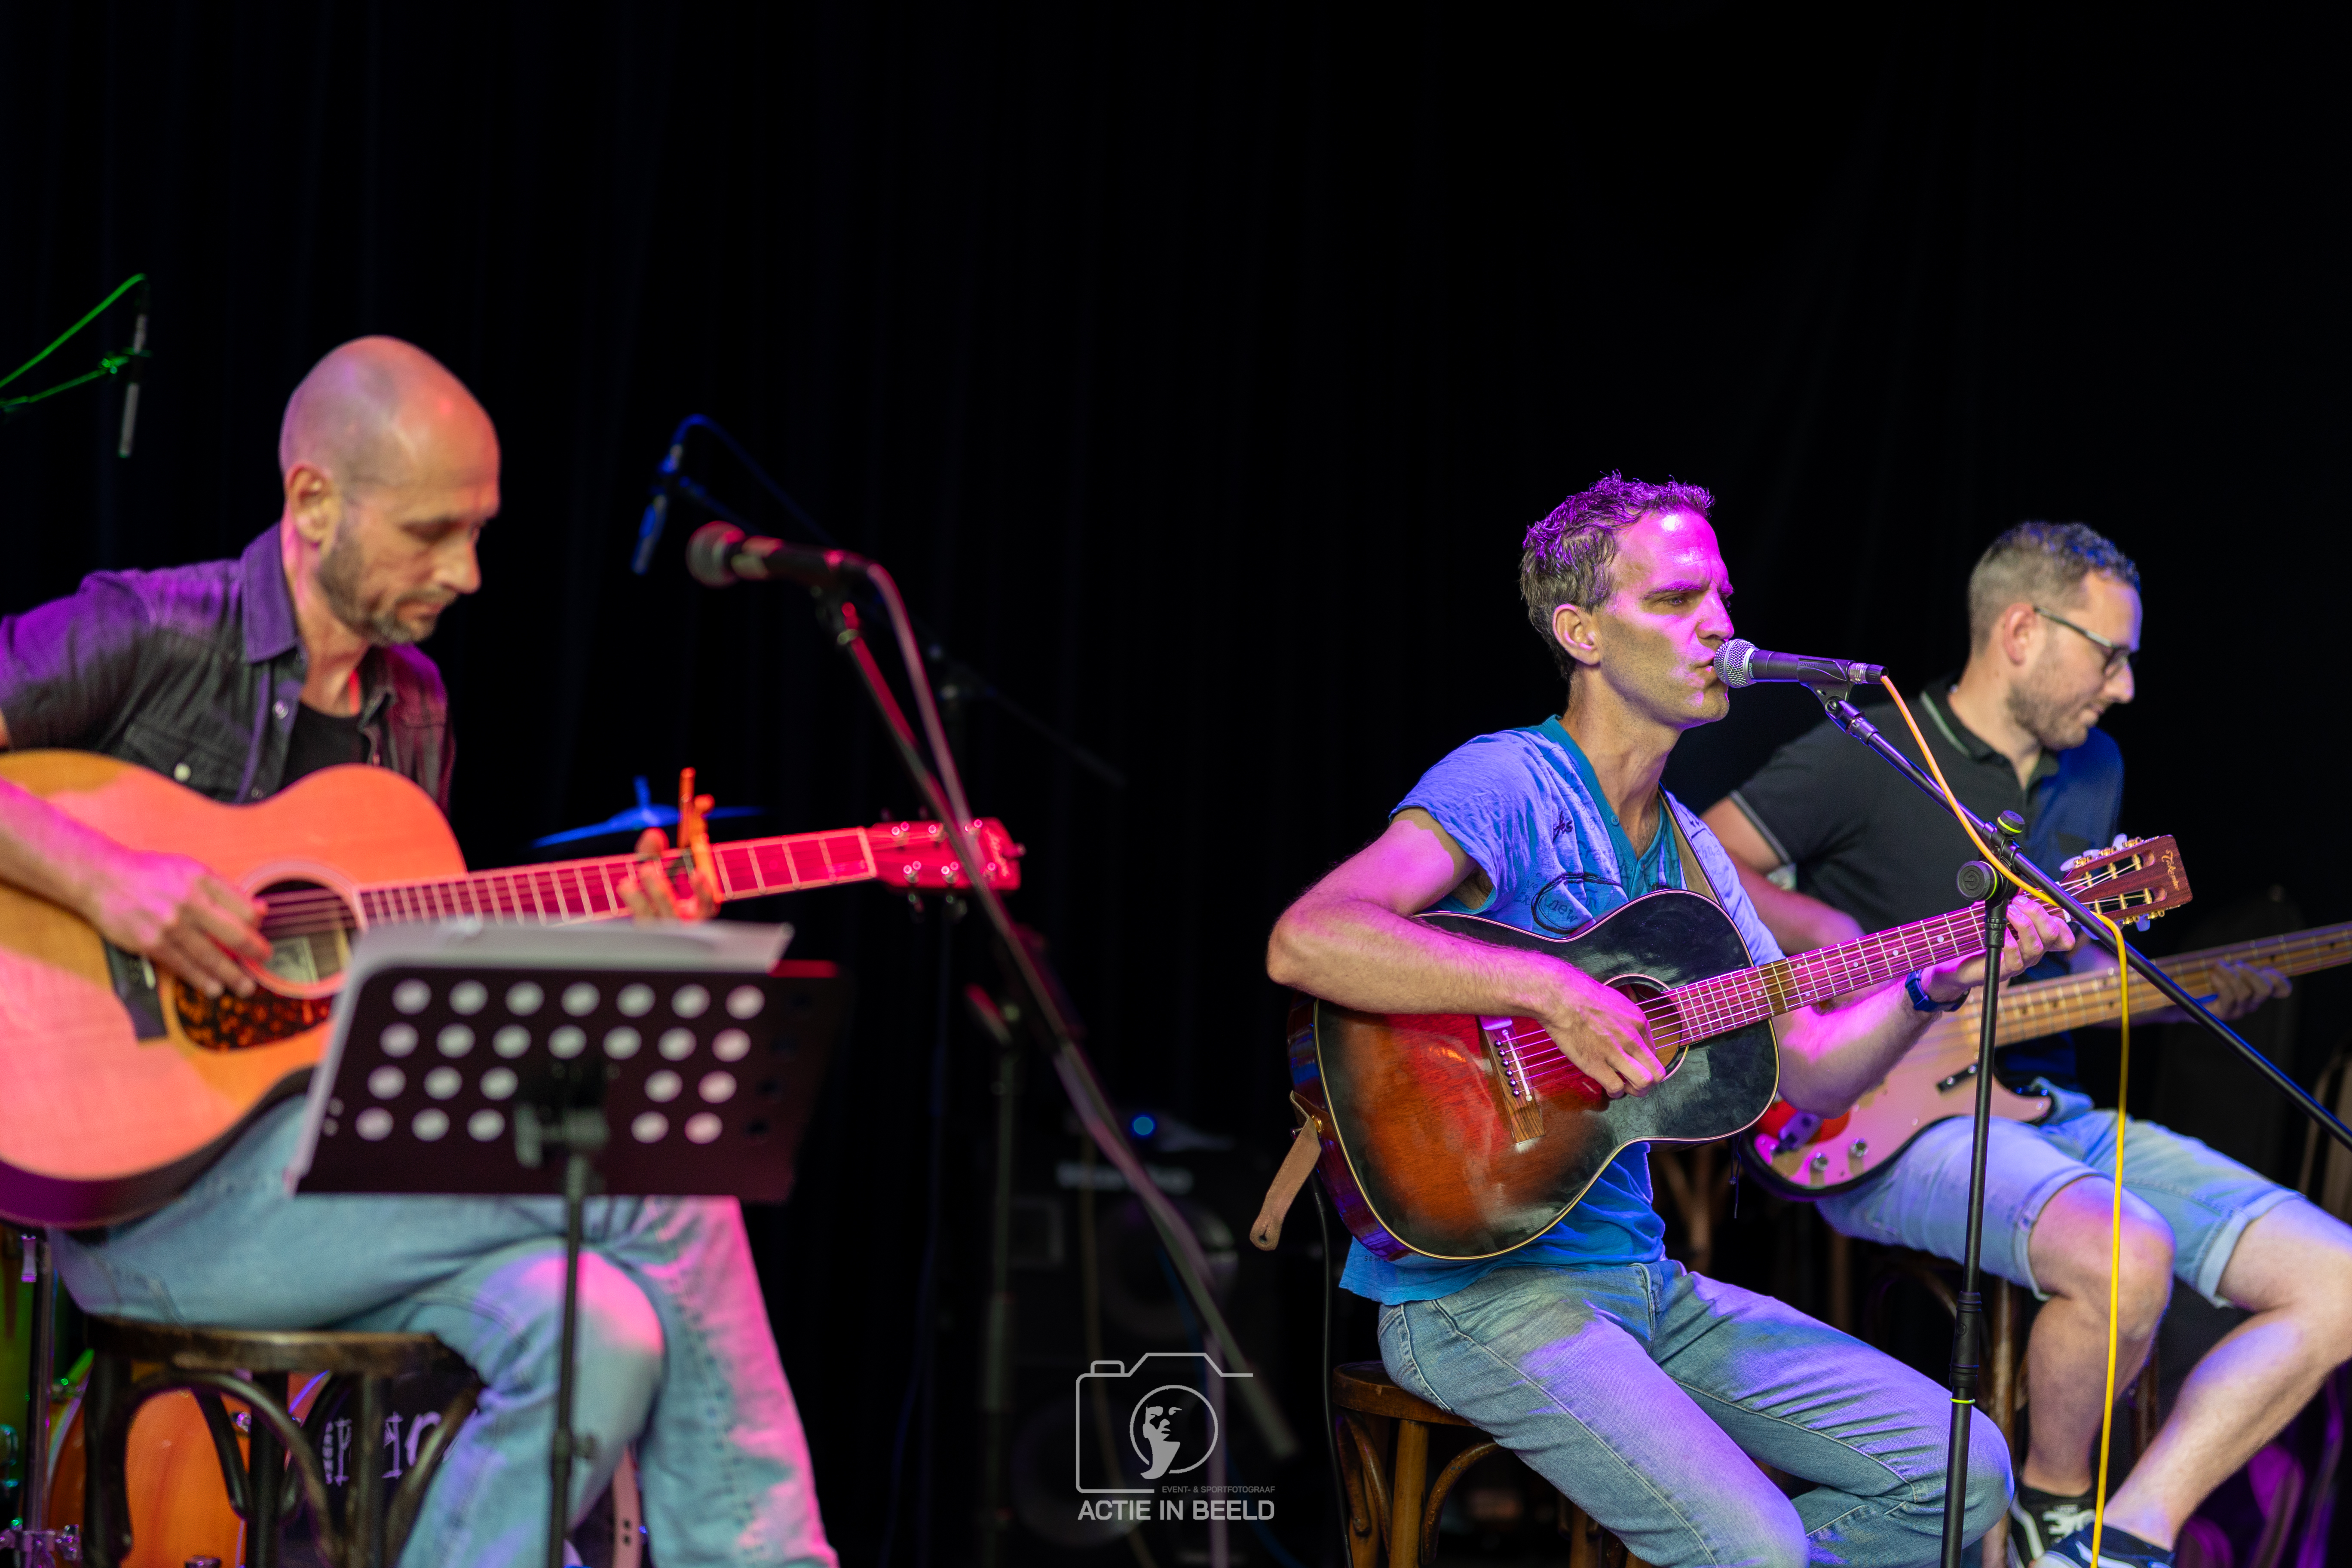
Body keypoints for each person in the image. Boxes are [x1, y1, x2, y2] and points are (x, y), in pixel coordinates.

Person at [0, 337, 836, 1567]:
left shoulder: (417, 709)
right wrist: (115, 884)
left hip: (333, 1195)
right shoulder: (152, 630)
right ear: (313, 502)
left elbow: (401, 991)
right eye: (435, 533)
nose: (470, 572)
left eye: (480, 532)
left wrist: (621, 937)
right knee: (659, 1168)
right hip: (155, 1216)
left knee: (606, 1330)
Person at [1267, 475, 2074, 1567]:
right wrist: (1552, 990)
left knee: (1965, 1469)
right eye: (1677, 601)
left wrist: (1939, 978)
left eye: (1723, 599)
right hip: (1475, 1295)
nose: (1720, 627)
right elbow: (1308, 937)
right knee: (1760, 1549)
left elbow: (1820, 1075)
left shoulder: (1695, 852)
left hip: (1644, 1287)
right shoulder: (1509, 780)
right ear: (1581, 631)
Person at [1703, 523, 2352, 1568]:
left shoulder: (2093, 771)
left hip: (2042, 1107)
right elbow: (1711, 857)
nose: (2127, 685)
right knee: (2125, 1251)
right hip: (1880, 1116)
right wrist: (1834, 936)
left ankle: (2122, 1533)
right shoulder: (1874, 749)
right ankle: (2053, 1506)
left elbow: (2072, 974)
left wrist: (2179, 999)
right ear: (2020, 630)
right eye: (2110, 653)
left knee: (2341, 1278)